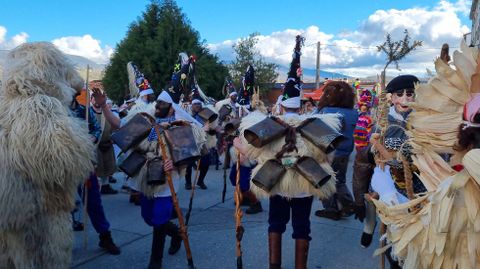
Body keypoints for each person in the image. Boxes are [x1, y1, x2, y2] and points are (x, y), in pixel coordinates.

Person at [0, 42, 95, 268]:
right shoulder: (40, 106)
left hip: (12, 215)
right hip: (39, 216)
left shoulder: (6, 105)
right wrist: (83, 143)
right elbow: (64, 162)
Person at [128, 90, 205, 268]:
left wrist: (176, 165)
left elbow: (188, 154)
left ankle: (156, 261)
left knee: (160, 219)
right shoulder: (149, 123)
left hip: (168, 180)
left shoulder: (180, 127)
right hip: (148, 176)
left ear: (171, 108)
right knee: (148, 217)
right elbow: (132, 140)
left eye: (163, 104)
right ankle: (177, 234)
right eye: (158, 104)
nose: (158, 106)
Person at [72, 89, 121, 255]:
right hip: (60, 165)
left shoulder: (83, 111)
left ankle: (105, 237)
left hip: (83, 162)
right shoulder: (57, 110)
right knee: (60, 204)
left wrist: (91, 138)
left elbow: (96, 129)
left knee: (93, 201)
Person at [314, 81, 358, 221]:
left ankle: (332, 209)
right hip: (345, 152)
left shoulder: (325, 112)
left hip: (328, 153)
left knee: (324, 181)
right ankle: (348, 204)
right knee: (339, 180)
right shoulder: (353, 113)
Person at [90, 88, 121, 194]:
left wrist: (112, 140)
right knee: (97, 167)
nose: (96, 100)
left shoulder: (108, 113)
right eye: (94, 98)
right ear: (91, 100)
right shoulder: (88, 113)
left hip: (107, 143)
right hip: (95, 145)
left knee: (108, 165)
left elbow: (116, 126)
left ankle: (105, 185)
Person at [184, 98, 212, 190]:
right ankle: (188, 183)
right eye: (195, 104)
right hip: (190, 141)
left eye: (199, 104)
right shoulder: (186, 114)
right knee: (188, 164)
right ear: (192, 105)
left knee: (206, 162)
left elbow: (211, 127)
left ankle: (200, 181)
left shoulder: (205, 115)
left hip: (202, 141)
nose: (197, 105)